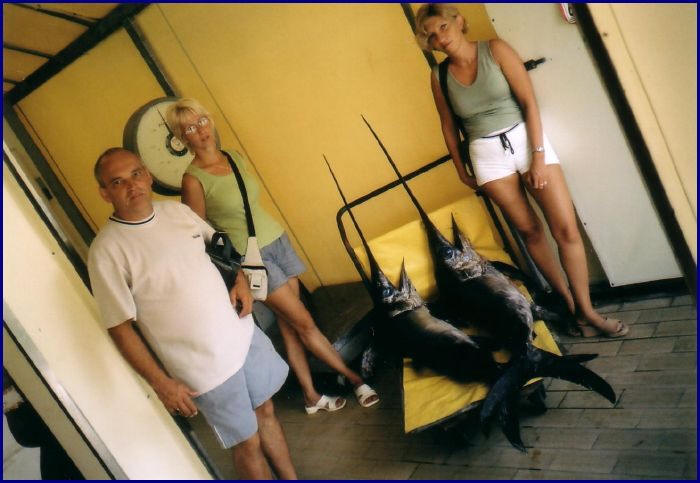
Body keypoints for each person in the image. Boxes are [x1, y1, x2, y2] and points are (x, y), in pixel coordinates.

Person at [414, 3, 628, 338]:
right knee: (531, 233)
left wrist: (538, 157)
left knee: (566, 229)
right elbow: (448, 126)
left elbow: (529, 102)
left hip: (526, 142)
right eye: (430, 36)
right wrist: (460, 169)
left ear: (458, 21)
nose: (439, 38)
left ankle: (588, 310)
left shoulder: (495, 50)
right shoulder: (438, 76)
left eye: (443, 27)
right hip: (487, 156)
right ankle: (571, 307)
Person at [87, 148, 297, 479]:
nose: (132, 185)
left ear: (148, 175)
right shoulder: (106, 251)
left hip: (241, 337)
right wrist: (161, 383)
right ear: (104, 192)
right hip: (203, 369)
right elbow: (120, 328)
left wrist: (240, 280)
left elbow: (222, 249)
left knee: (267, 410)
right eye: (117, 181)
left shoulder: (177, 212)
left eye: (136, 174)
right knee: (247, 442)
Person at [165, 98, 380, 413]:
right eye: (189, 128)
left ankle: (310, 396)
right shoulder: (193, 180)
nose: (200, 130)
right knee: (304, 323)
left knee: (290, 324)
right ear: (181, 139)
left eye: (202, 121)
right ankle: (355, 379)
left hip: (277, 239)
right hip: (252, 258)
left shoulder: (234, 156)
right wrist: (233, 271)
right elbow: (198, 233)